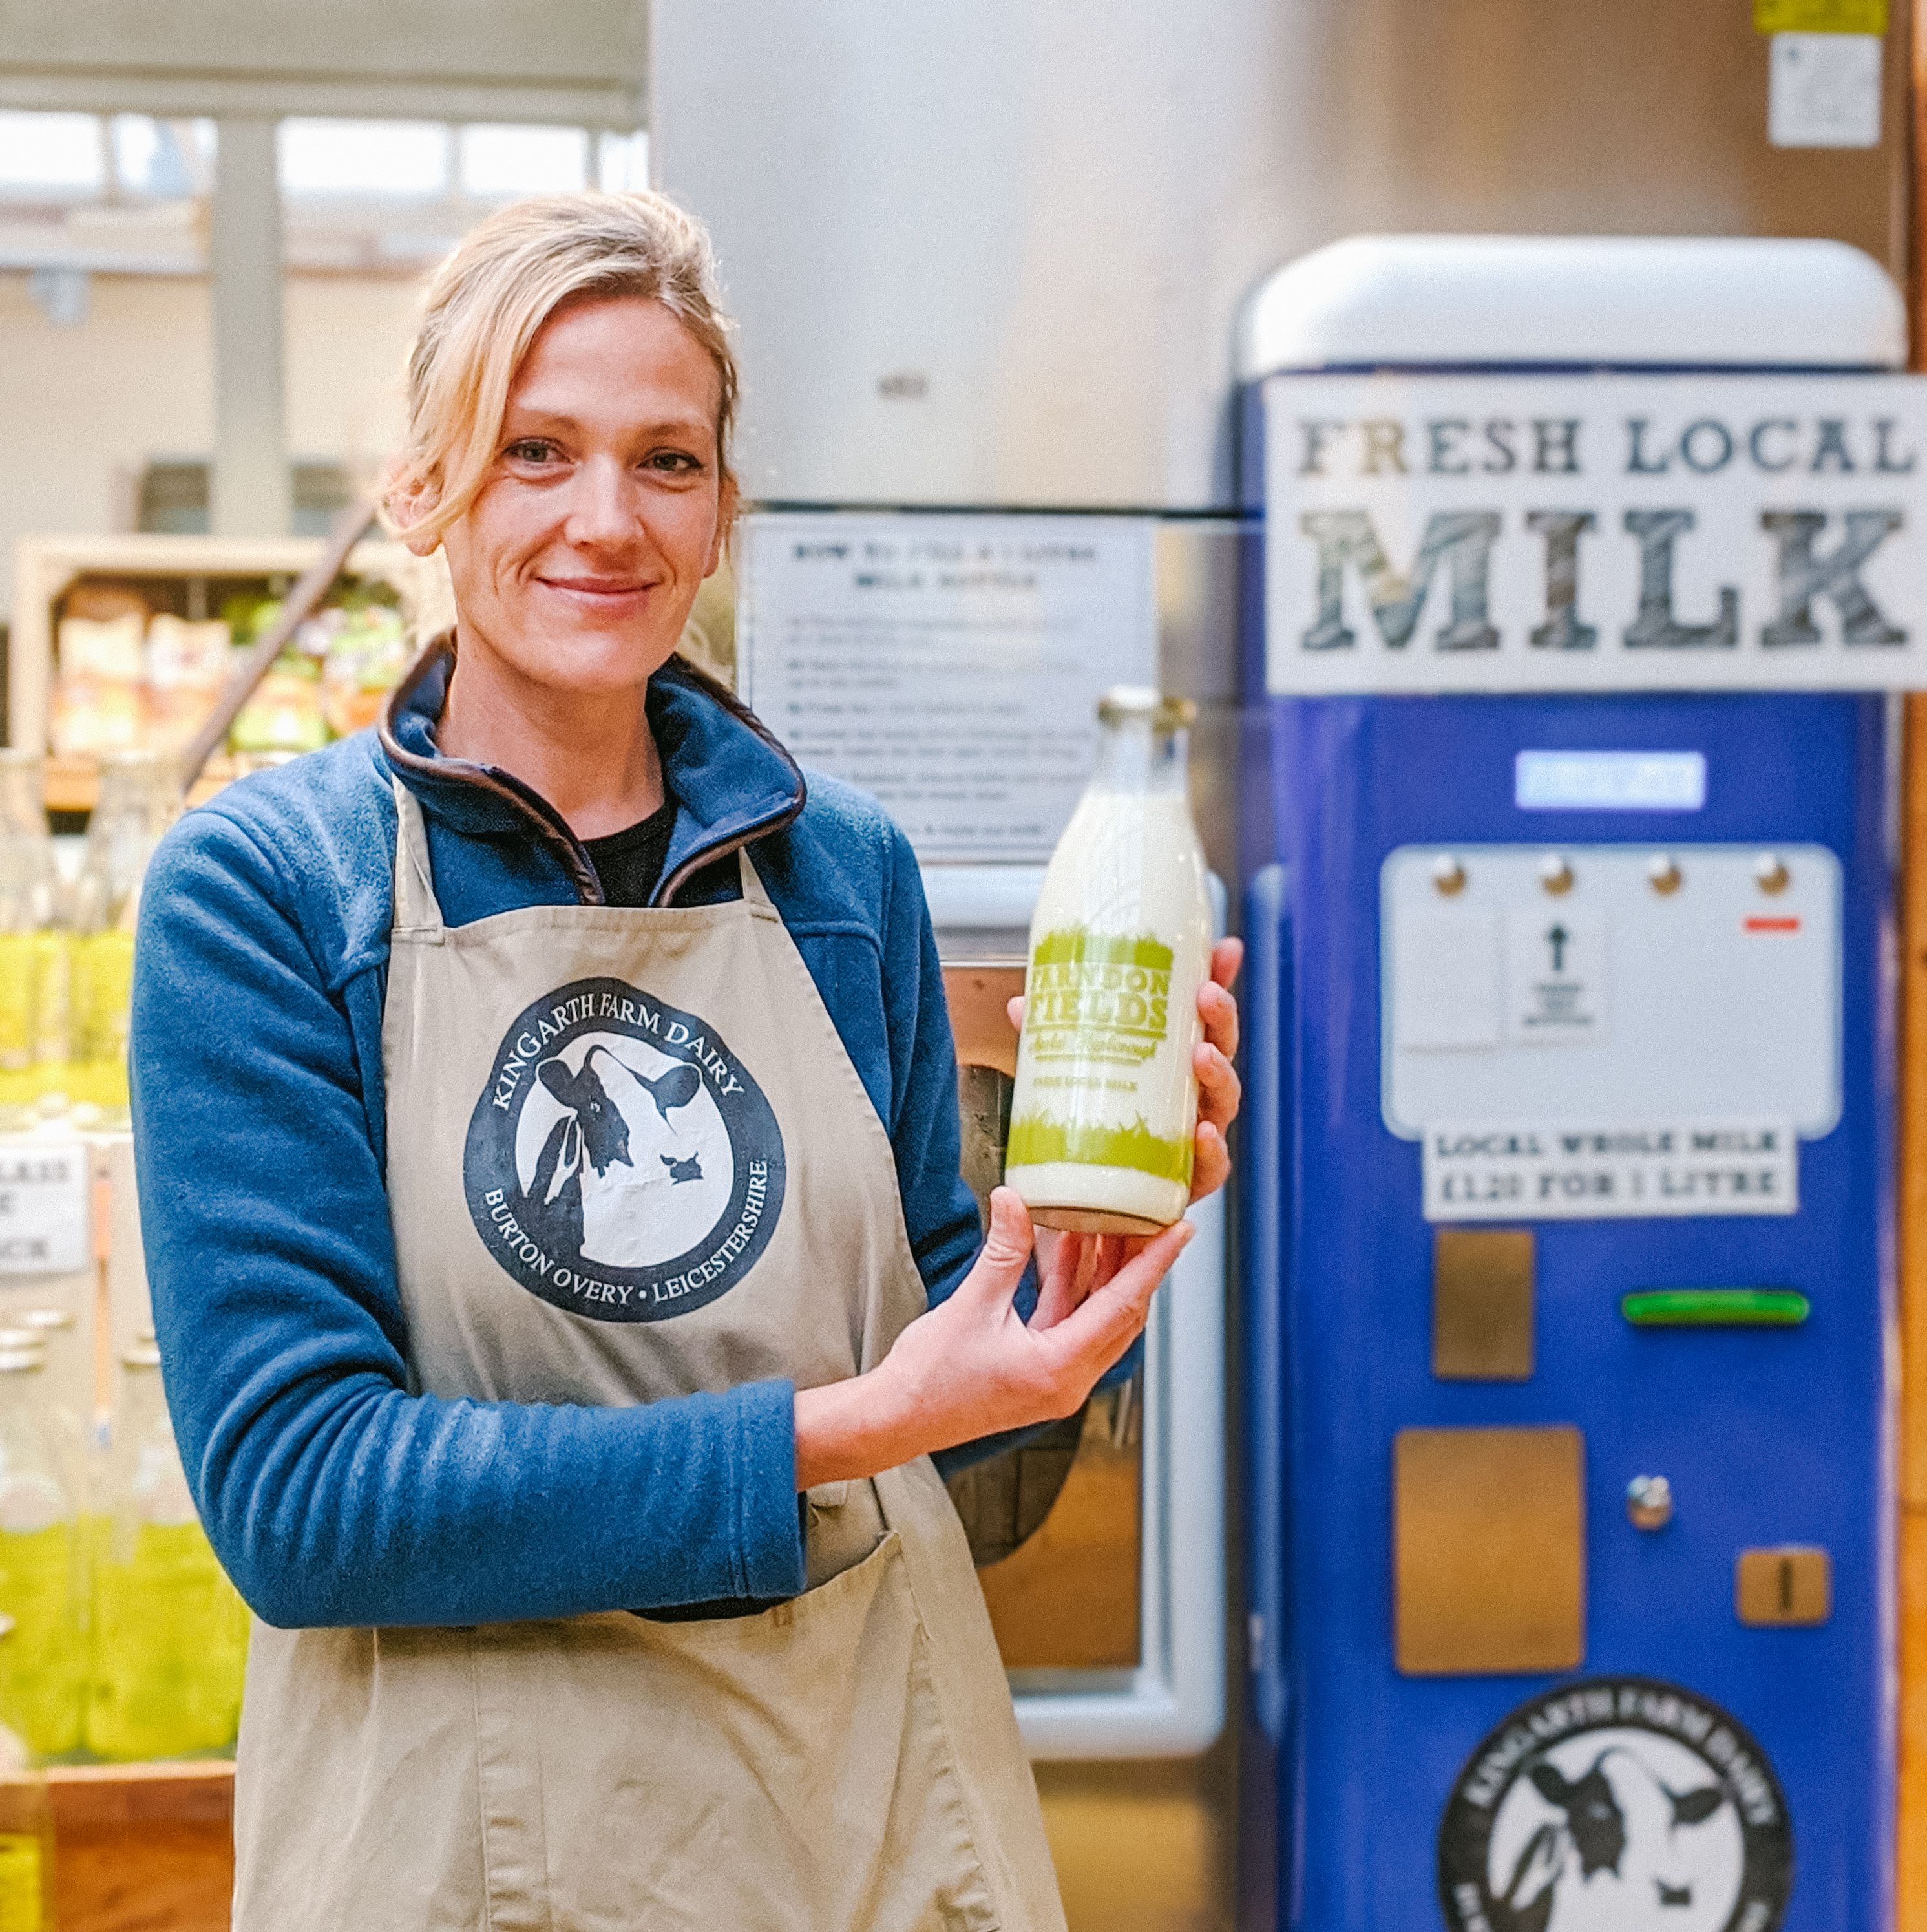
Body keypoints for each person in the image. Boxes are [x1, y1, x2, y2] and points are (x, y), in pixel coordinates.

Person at [129, 190, 1242, 1931]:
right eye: (535, 451)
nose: (606, 519)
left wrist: (1090, 1238)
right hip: (467, 1867)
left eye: (666, 460)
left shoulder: (837, 871)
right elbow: (304, 1497)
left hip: (860, 1830)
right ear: (425, 490)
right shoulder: (273, 889)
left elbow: (973, 1448)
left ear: (723, 513)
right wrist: (848, 1426)